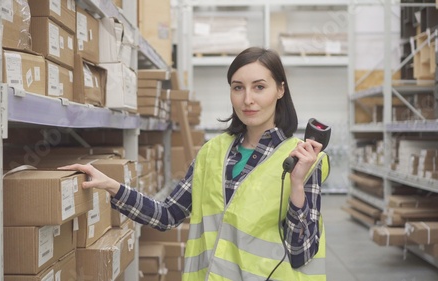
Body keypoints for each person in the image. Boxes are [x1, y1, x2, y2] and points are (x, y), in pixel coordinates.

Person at [59, 46, 329, 281]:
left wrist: (296, 184)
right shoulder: (213, 152)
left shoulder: (302, 160)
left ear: (280, 90)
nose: (248, 99)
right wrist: (113, 187)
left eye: (259, 87)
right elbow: (167, 215)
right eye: (238, 87)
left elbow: (300, 251)